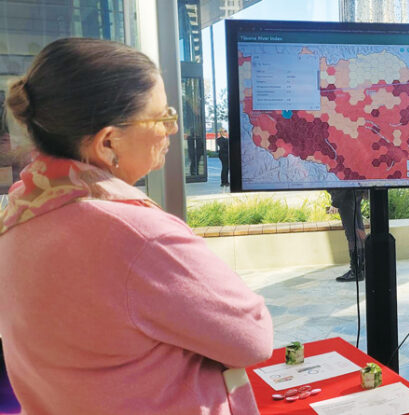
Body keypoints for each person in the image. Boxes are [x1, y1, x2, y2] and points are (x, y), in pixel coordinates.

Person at [0, 38, 273, 415]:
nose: (172, 129)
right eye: (162, 117)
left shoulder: (20, 215)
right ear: (108, 142)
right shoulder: (137, 235)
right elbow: (253, 336)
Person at [328, 188, 366, 282]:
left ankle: (355, 272)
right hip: (355, 194)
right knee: (359, 231)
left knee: (352, 235)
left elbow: (341, 184)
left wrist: (335, 203)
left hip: (345, 197)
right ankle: (361, 268)